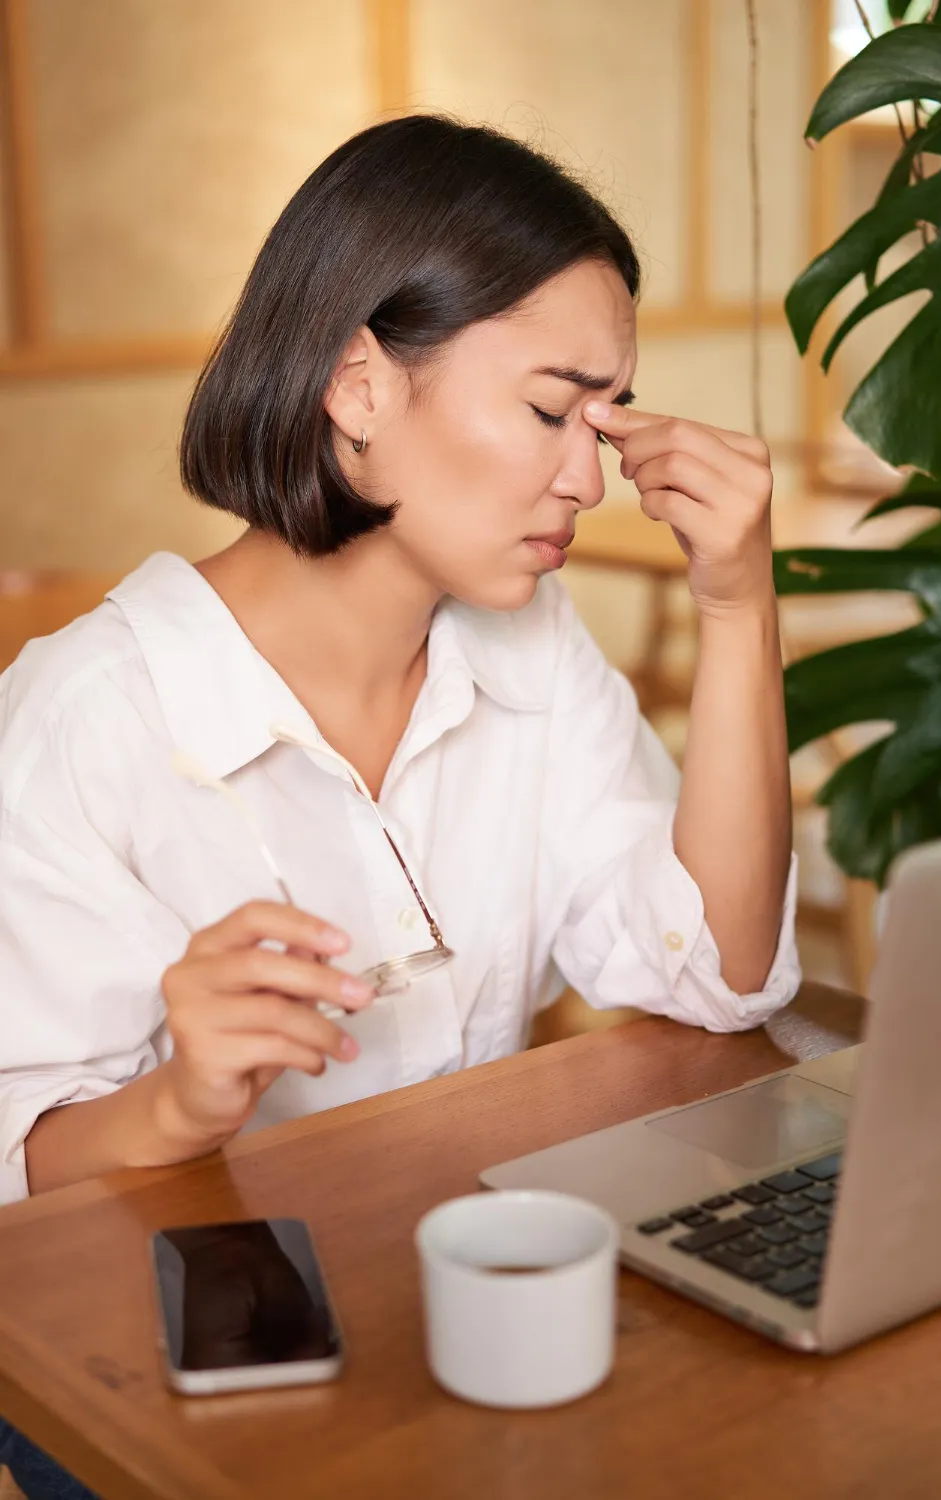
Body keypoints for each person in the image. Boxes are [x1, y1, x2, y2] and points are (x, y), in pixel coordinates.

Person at [0, 112, 798, 1499]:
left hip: (445, 1306)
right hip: (159, 1375)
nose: (583, 475)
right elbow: (23, 1175)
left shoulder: (531, 649)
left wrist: (737, 606)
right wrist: (185, 1099)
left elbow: (717, 978)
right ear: (360, 383)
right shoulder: (84, 714)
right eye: (550, 409)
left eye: (607, 421)